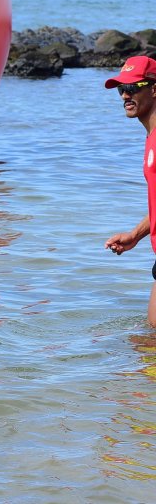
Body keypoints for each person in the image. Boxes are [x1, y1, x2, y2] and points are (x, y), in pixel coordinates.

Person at [104, 55, 156, 327]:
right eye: (121, 89)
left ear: (155, 89)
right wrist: (135, 234)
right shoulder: (151, 137)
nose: (125, 95)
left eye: (134, 88)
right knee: (149, 338)